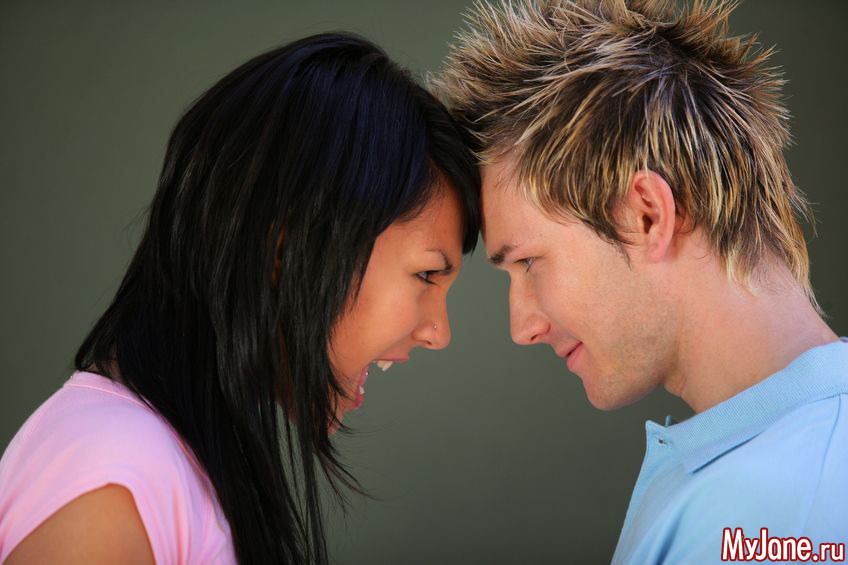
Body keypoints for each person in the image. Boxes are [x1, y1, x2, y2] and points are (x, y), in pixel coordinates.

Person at [0, 33, 479, 564]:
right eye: (427, 275)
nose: (439, 332)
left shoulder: (156, 461)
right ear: (287, 247)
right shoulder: (114, 481)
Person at [435, 0, 846, 562]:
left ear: (647, 216)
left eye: (528, 262)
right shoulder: (775, 470)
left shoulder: (767, 516)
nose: (522, 327)